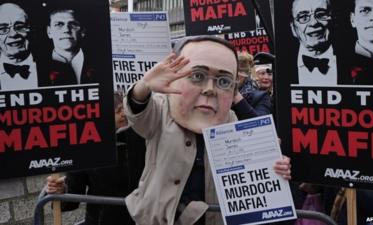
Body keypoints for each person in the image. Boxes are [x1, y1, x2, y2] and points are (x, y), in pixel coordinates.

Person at [123, 36, 292, 225]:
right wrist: (144, 86)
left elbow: (256, 171)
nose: (209, 89)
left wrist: (272, 166)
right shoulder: (163, 110)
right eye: (197, 76)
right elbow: (136, 112)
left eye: (223, 81)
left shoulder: (233, 123)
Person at [46, 92, 146, 225]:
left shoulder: (143, 136)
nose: (123, 114)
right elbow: (75, 190)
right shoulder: (87, 146)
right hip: (102, 220)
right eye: (117, 110)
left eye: (124, 109)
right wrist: (61, 190)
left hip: (141, 218)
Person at [289, 0, 351, 85]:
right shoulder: (280, 65)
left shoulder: (358, 63)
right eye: (304, 17)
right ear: (293, 28)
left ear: (333, 21)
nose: (313, 23)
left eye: (321, 14)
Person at [45, 8, 96, 85]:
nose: (66, 30)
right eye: (59, 24)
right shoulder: (36, 67)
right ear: (49, 32)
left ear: (83, 31)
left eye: (73, 24)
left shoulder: (100, 64)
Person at [0, 3, 39, 90]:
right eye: (3, 29)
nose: (13, 34)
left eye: (20, 27)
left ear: (31, 30)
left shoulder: (60, 69)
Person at [231, 51, 272, 120]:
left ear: (245, 75)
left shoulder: (261, 97)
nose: (266, 77)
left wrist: (235, 94)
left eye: (238, 74)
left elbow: (261, 125)